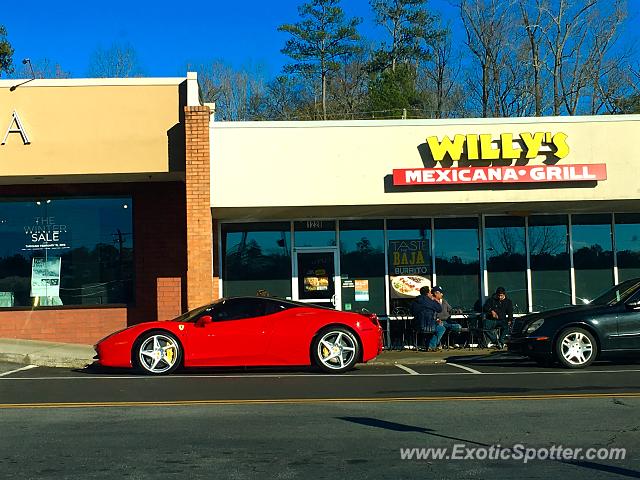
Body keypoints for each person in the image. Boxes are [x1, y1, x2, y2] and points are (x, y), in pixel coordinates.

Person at [410, 286, 443, 351]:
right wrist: (436, 301)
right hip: (430, 326)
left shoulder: (415, 301)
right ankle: (431, 346)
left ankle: (428, 345)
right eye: (431, 293)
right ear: (428, 293)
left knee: (430, 330)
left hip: (417, 326)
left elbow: (412, 312)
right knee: (441, 328)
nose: (431, 294)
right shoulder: (431, 301)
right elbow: (439, 309)